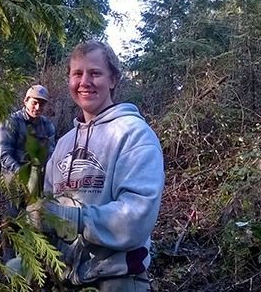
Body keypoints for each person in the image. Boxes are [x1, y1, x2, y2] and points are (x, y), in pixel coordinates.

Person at [32, 40, 164, 292]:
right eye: (77, 74)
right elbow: (47, 203)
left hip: (118, 281)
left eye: (95, 73)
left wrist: (70, 218)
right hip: (65, 280)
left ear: (113, 79)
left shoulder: (134, 135)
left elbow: (136, 217)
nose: (84, 82)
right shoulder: (63, 144)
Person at [0, 84, 56, 261]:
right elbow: (5, 155)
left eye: (42, 104)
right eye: (34, 102)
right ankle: (8, 258)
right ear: (26, 101)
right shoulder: (11, 122)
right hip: (13, 176)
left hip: (38, 177)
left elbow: (52, 154)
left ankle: (32, 261)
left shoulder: (47, 125)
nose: (38, 108)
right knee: (12, 218)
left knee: (38, 219)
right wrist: (22, 175)